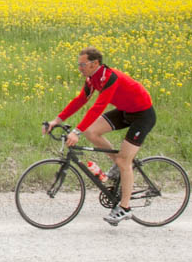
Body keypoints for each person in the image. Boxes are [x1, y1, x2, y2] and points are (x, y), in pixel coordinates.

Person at [43, 46, 155, 226]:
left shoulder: (109, 77)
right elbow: (80, 100)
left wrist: (76, 131)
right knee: (92, 132)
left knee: (124, 161)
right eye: (78, 64)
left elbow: (98, 107)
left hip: (142, 115)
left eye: (82, 64)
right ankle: (118, 164)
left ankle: (125, 208)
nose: (79, 68)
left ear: (95, 63)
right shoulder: (91, 79)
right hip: (126, 111)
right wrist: (56, 120)